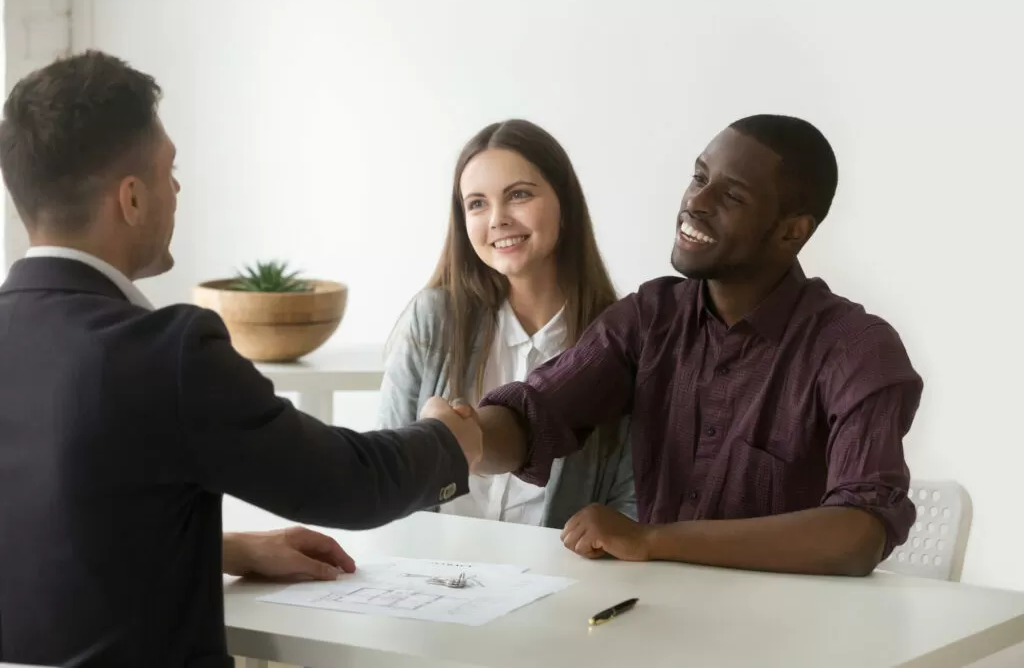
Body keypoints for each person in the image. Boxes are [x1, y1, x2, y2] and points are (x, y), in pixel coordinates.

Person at [0, 50, 480, 667]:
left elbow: (53, 506)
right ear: (132, 199)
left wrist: (221, 548)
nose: (176, 188)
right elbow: (349, 483)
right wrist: (449, 439)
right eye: (168, 170)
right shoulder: (163, 353)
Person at [441, 114, 922, 577]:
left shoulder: (857, 348)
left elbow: (859, 531)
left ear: (791, 231)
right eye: (699, 177)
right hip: (658, 622)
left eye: (731, 196)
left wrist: (652, 540)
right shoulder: (652, 316)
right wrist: (465, 439)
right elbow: (536, 414)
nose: (697, 202)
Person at [378, 119, 635, 528]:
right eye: (477, 203)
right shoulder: (433, 319)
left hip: (564, 576)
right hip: (430, 572)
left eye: (518, 195)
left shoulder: (623, 337)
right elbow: (386, 477)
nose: (497, 219)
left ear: (564, 205)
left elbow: (630, 505)